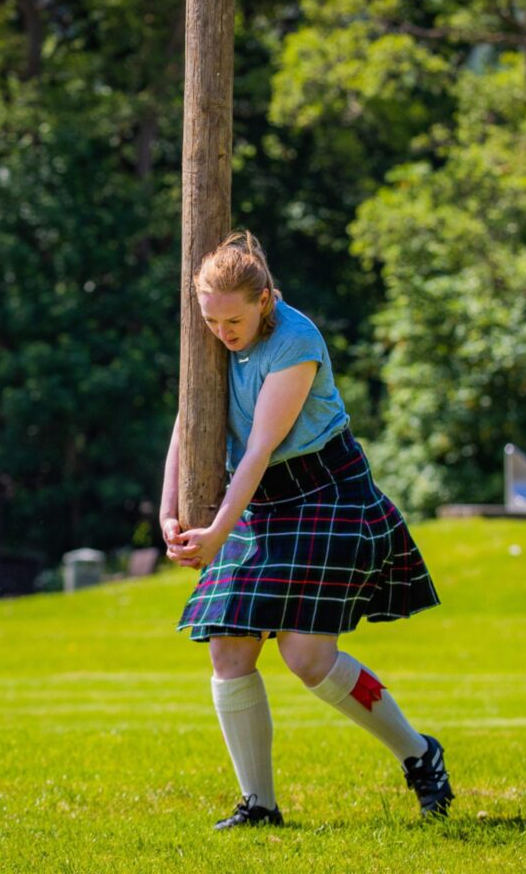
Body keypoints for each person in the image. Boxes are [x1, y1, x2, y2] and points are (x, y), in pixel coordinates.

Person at [162, 232, 451, 829]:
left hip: (328, 493)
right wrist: (170, 512)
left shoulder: (296, 340)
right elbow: (188, 419)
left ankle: (420, 754)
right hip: (265, 503)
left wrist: (216, 532)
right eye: (210, 320)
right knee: (228, 646)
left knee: (307, 656)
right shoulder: (212, 334)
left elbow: (261, 446)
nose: (222, 332)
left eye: (233, 319)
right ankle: (259, 806)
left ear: (265, 299)